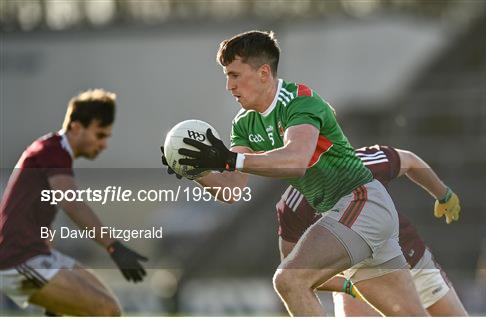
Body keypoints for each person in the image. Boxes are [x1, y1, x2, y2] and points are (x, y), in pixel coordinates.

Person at [163, 30, 430, 316]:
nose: (229, 86)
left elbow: (295, 160)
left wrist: (228, 158)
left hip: (361, 202)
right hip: (350, 213)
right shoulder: (244, 123)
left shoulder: (300, 101)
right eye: (226, 76)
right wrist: (197, 170)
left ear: (264, 73)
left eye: (235, 75)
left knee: (290, 279)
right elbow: (233, 189)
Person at [0, 89, 148, 316]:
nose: (104, 144)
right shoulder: (53, 152)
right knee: (106, 311)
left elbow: (31, 210)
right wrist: (113, 246)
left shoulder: (53, 150)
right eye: (100, 135)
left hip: (36, 254)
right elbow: (72, 204)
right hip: (19, 260)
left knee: (112, 309)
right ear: (76, 127)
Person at [276, 145, 467, 316]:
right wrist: (346, 287)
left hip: (414, 260)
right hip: (360, 279)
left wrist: (443, 194)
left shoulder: (361, 162)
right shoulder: (294, 204)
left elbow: (409, 160)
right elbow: (295, 268)